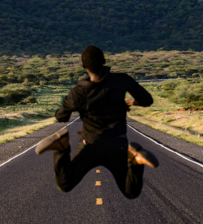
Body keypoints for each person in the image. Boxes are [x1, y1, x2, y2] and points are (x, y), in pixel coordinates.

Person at [35, 45, 158, 199]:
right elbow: (147, 100)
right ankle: (134, 160)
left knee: (66, 184)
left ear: (83, 66)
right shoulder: (122, 80)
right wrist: (129, 102)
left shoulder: (79, 92)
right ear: (104, 61)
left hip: (90, 145)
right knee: (130, 192)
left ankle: (61, 149)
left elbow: (61, 117)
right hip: (117, 144)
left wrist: (74, 106)